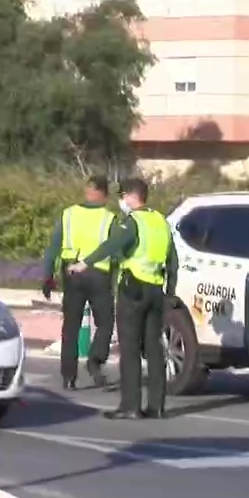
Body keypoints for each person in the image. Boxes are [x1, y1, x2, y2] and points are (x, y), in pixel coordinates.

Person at [69, 178, 177, 420]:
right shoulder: (161, 221)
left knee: (129, 349)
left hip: (133, 289)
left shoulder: (133, 222)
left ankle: (130, 406)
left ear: (130, 196)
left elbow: (112, 244)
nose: (121, 201)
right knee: (154, 347)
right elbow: (173, 262)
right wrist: (170, 292)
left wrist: (84, 263)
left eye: (122, 196)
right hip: (155, 291)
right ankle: (156, 406)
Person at [41, 175, 117, 389]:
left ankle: (68, 377)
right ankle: (95, 360)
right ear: (103, 194)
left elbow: (53, 247)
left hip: (72, 273)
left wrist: (47, 276)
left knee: (71, 327)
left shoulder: (68, 214)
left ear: (87, 191)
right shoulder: (109, 218)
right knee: (105, 322)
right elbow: (116, 251)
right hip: (99, 275)